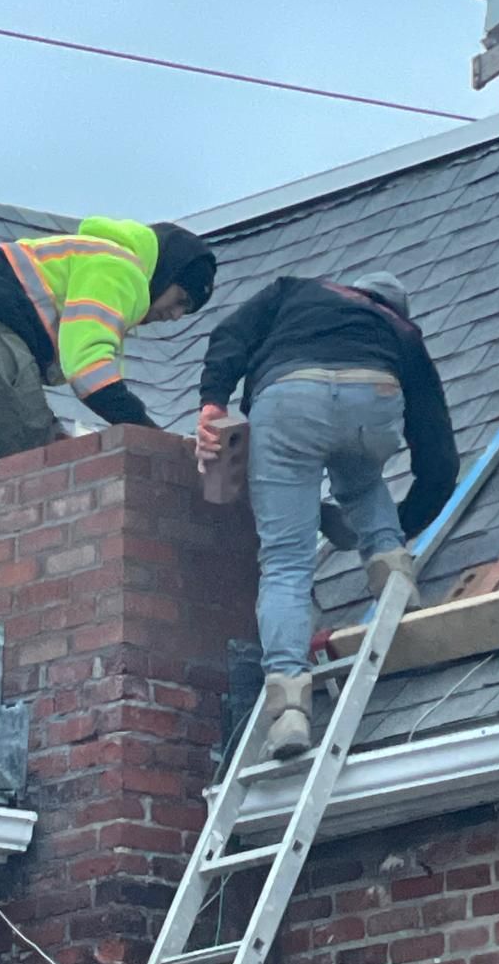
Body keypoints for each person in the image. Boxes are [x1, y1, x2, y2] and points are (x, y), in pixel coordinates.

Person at [0, 217, 217, 651]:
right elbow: (90, 373)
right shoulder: (122, 269)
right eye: (180, 298)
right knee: (42, 473)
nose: (175, 315)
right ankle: (39, 619)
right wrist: (155, 439)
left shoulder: (85, 256)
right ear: (164, 274)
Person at [194, 271, 458, 760]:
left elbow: (230, 333)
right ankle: (396, 580)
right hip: (372, 399)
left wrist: (213, 401)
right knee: (362, 479)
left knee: (286, 562)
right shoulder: (399, 332)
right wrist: (408, 520)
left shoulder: (293, 290)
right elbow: (439, 461)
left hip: (290, 401)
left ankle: (290, 711)